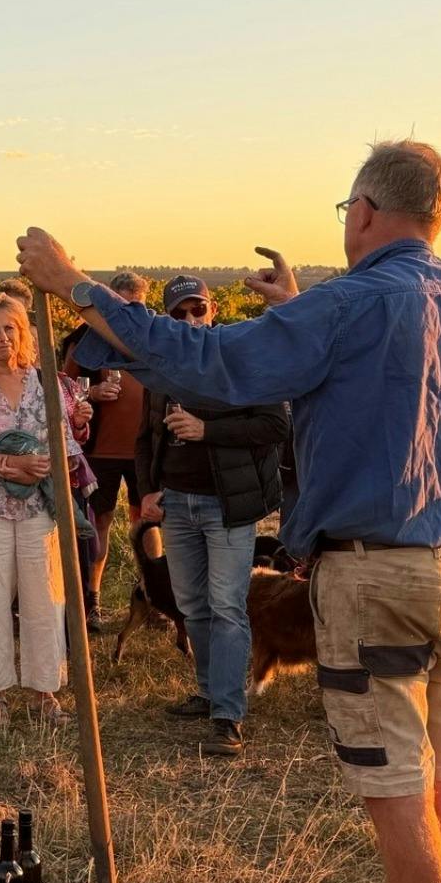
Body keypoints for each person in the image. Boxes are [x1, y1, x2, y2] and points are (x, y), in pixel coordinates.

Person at [18, 141, 441, 883]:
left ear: (362, 211)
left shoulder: (351, 302)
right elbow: (383, 385)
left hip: (375, 571)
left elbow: (216, 363)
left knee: (396, 788)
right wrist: (299, 316)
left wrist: (79, 287)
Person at [135, 278, 288, 756]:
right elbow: (146, 437)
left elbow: (274, 425)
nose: (189, 320)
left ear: (212, 308)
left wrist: (207, 429)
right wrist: (148, 490)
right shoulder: (164, 367)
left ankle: (228, 714)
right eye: (178, 314)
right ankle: (207, 691)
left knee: (226, 606)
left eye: (196, 309)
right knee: (191, 606)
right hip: (176, 503)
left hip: (228, 505)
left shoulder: (241, 358)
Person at [0, 293, 79, 727]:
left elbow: (66, 442)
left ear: (23, 333)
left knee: (45, 597)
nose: (3, 337)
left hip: (38, 506)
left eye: (10, 328)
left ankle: (45, 693)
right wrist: (7, 465)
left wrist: (42, 465)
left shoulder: (46, 382)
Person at [64, 270, 151, 631]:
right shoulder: (83, 343)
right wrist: (92, 396)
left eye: (136, 308)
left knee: (147, 523)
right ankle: (92, 602)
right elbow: (65, 393)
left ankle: (152, 599)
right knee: (98, 522)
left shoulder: (153, 340)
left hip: (145, 449)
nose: (128, 316)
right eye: (120, 307)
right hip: (99, 450)